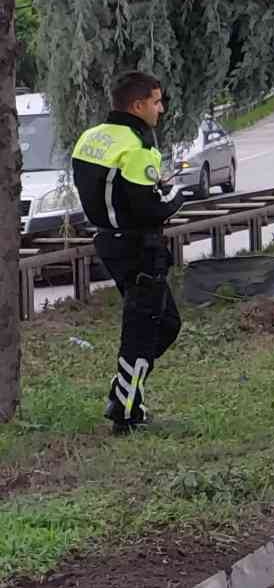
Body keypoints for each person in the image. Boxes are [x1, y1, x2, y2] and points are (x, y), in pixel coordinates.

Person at [71, 71, 189, 434]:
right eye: (156, 101)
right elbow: (152, 207)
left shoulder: (91, 138)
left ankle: (123, 391)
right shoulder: (137, 147)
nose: (161, 109)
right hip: (139, 248)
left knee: (166, 323)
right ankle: (125, 412)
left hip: (109, 242)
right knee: (142, 330)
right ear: (137, 106)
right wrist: (176, 191)